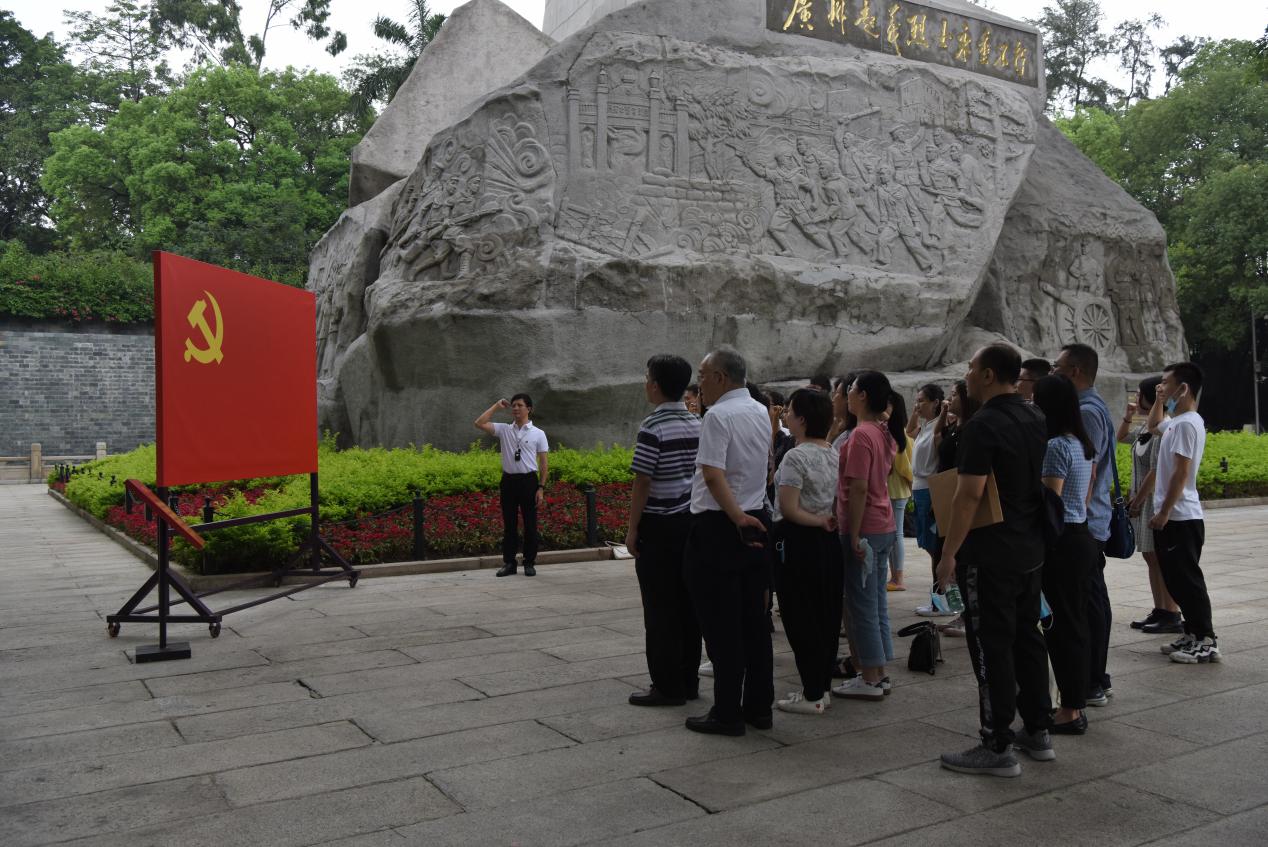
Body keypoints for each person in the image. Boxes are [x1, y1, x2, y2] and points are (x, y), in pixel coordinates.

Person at [937, 343, 1053, 776]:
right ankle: (1037, 728)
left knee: (991, 645)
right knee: (1027, 637)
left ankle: (996, 742)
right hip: (1028, 548)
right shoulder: (1034, 415)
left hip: (990, 554)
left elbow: (969, 495)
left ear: (988, 375)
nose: (967, 375)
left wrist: (948, 554)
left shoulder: (983, 425)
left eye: (971, 368)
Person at [683, 347, 775, 735]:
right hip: (756, 519)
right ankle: (759, 707)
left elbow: (712, 474)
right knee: (754, 621)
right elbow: (764, 466)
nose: (699, 384)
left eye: (702, 376)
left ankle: (726, 713)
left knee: (721, 625)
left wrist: (735, 516)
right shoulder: (759, 410)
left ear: (720, 377)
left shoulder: (718, 415)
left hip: (721, 525)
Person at [626, 355, 703, 707]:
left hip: (659, 527)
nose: (645, 384)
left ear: (655, 385)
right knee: (688, 605)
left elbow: (643, 480)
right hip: (691, 524)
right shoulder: (698, 423)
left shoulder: (652, 426)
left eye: (647, 378)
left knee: (659, 608)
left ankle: (667, 686)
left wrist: (632, 528)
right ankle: (688, 681)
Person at [1033, 374, 1098, 735]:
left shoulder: (1057, 446)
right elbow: (1084, 495)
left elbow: (1050, 504)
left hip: (1063, 543)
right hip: (1081, 535)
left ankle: (1070, 711)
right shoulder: (1081, 443)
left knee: (1061, 627)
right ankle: (1074, 702)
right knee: (1075, 623)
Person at [771, 388, 843, 715]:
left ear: (801, 419)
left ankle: (812, 693)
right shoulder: (832, 452)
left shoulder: (795, 457)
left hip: (799, 541)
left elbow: (789, 508)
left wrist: (817, 521)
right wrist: (826, 520)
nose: (785, 415)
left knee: (800, 616)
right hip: (827, 542)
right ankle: (820, 688)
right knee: (825, 615)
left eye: (789, 411)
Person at [1052, 343, 1114, 707]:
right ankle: (1095, 678)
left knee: (1088, 604)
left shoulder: (1087, 412)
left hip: (1085, 522)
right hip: (1087, 521)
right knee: (1092, 599)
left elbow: (1087, 474)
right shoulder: (1090, 407)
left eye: (1057, 367)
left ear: (1074, 371)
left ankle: (1093, 680)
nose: (1053, 372)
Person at [833, 370, 898, 701]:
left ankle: (870, 677)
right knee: (876, 603)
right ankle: (879, 672)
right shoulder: (882, 431)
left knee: (862, 606)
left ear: (862, 396)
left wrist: (854, 533)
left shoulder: (860, 435)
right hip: (883, 525)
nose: (847, 394)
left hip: (866, 527)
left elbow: (858, 488)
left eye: (851, 389)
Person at [1148, 363, 1218, 664]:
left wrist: (1164, 511)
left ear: (1184, 388)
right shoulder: (1177, 422)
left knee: (1188, 581)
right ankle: (1192, 633)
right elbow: (1153, 426)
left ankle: (1206, 640)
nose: (1161, 387)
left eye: (1166, 383)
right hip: (1174, 516)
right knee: (1176, 580)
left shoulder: (1188, 424)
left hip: (1181, 516)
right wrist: (1159, 400)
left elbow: (1181, 472)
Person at [1118, 376, 1182, 634]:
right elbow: (1122, 437)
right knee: (1149, 556)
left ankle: (1171, 612)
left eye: (1138, 394)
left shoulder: (1161, 430)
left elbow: (1155, 471)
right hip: (1141, 499)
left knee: (1158, 557)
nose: (1136, 399)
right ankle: (1160, 609)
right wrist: (1127, 416)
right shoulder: (1146, 427)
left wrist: (1137, 501)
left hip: (1151, 500)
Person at [474, 394, 549, 577]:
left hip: (529, 481)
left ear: (529, 409)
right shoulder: (504, 430)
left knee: (530, 525)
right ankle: (509, 563)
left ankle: (529, 562)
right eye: (513, 405)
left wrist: (541, 487)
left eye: (519, 405)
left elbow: (544, 464)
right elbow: (479, 423)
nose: (515, 408)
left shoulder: (538, 433)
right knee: (509, 524)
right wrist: (496, 406)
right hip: (508, 481)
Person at [907, 383, 944, 579]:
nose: (918, 405)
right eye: (916, 401)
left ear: (935, 402)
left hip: (929, 489)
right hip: (919, 488)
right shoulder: (925, 426)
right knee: (925, 540)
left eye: (922, 401)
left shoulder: (939, 425)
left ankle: (942, 584)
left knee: (932, 542)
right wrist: (915, 411)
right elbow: (909, 430)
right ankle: (940, 585)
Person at [886, 391, 913, 592]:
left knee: (896, 535)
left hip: (895, 491)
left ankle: (898, 578)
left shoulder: (898, 435)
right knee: (893, 535)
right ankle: (895, 576)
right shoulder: (898, 433)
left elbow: (906, 469)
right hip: (895, 491)